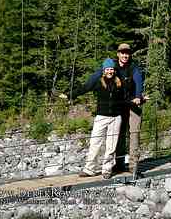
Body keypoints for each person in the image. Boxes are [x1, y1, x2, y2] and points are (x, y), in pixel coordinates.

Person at [85, 43, 148, 177]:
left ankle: (133, 166)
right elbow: (97, 75)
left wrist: (138, 96)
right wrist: (83, 88)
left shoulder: (134, 67)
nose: (125, 55)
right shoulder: (113, 66)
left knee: (134, 134)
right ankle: (118, 164)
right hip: (120, 106)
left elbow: (138, 81)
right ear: (118, 54)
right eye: (122, 52)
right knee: (118, 136)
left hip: (133, 104)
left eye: (127, 53)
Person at [60, 58, 125, 179]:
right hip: (101, 117)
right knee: (95, 142)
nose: (110, 71)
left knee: (111, 146)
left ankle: (107, 170)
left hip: (116, 118)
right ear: (104, 70)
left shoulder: (119, 82)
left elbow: (127, 96)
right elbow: (84, 88)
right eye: (108, 69)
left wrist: (139, 98)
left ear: (114, 70)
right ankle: (89, 169)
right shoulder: (98, 82)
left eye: (112, 69)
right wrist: (69, 95)